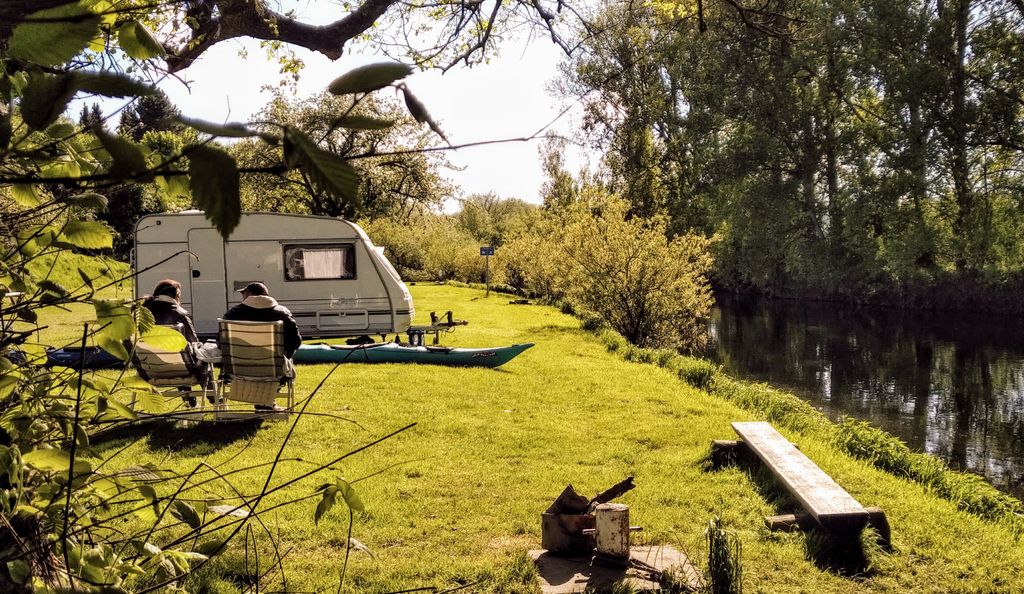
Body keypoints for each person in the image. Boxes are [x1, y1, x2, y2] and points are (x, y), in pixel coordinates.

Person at [221, 282, 302, 411]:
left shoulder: (233, 314)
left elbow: (220, 343)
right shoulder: (282, 313)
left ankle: (264, 403)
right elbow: (295, 342)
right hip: (274, 371)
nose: (242, 297)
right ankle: (267, 401)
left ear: (249, 294)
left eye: (243, 293)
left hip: (238, 370)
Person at [141, 279, 213, 406]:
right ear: (174, 296)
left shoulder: (142, 313)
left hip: (149, 368)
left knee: (176, 356)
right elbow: (194, 341)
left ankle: (189, 400)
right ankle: (213, 398)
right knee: (192, 358)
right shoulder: (180, 313)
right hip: (179, 368)